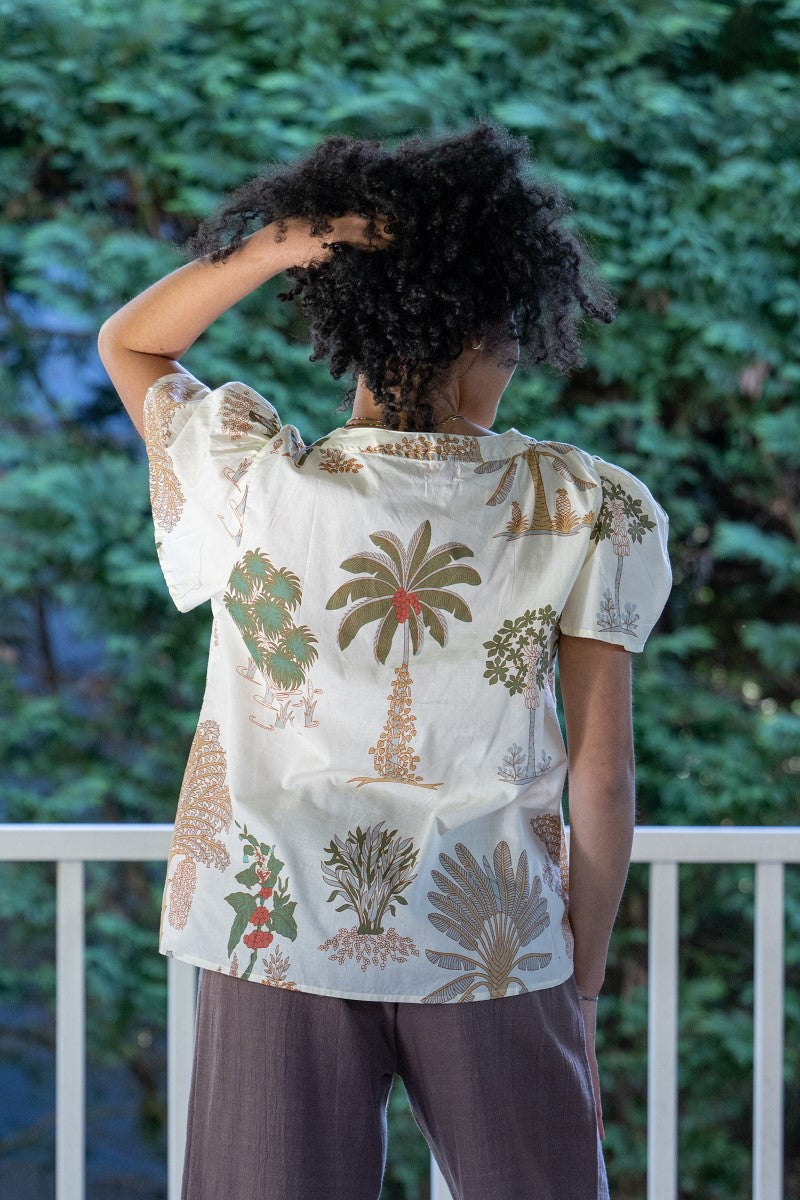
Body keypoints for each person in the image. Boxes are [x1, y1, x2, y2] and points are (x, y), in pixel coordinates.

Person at [98, 119, 672, 1200]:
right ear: (489, 337)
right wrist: (578, 987)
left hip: (275, 930)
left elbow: (132, 344)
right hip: (494, 938)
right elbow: (601, 777)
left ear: (354, 331)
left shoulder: (251, 477)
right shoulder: (584, 504)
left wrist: (279, 242)